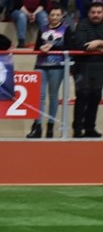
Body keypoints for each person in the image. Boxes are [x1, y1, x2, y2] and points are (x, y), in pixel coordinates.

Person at [28, 7, 69, 138]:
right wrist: (41, 47)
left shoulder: (66, 29)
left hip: (57, 66)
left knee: (53, 96)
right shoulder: (42, 28)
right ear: (48, 16)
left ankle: (50, 126)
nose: (55, 17)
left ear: (62, 16)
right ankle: (37, 126)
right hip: (40, 65)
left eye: (57, 15)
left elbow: (69, 46)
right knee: (39, 96)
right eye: (52, 15)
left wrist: (52, 46)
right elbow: (36, 47)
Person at [69, 0, 103, 137]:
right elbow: (81, 44)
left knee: (95, 97)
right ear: (88, 13)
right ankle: (77, 129)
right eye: (93, 12)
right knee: (82, 96)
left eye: (99, 12)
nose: (96, 15)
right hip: (82, 67)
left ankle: (90, 128)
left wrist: (99, 42)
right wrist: (100, 48)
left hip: (99, 67)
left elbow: (91, 44)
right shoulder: (82, 24)